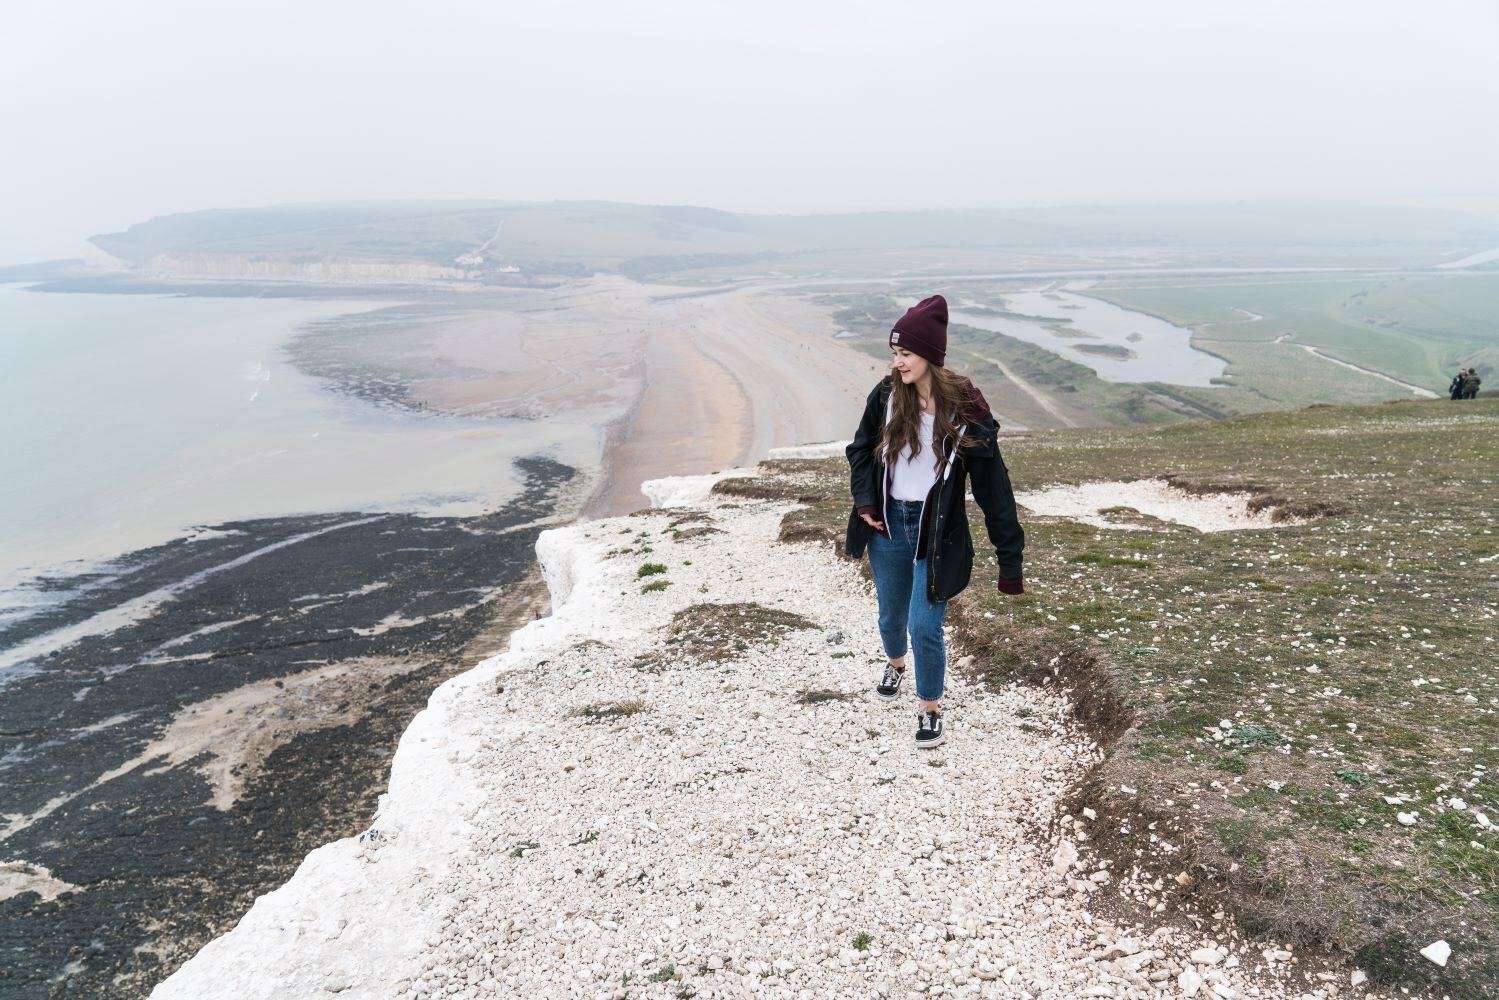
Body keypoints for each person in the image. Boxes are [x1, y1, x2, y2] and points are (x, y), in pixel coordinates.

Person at [844, 294, 1026, 749]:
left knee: (923, 625)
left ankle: (929, 708)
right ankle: (895, 663)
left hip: (935, 532)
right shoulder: (886, 396)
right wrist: (866, 501)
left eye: (905, 354)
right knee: (891, 618)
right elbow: (861, 450)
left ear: (929, 355)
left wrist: (1010, 560)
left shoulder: (966, 411)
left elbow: (993, 489)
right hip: (886, 525)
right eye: (895, 354)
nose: (897, 362)